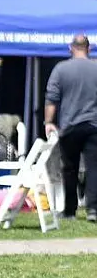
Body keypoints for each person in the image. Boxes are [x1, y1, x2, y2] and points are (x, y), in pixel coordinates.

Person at [45, 34, 97, 221]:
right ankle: (93, 210)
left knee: (69, 169)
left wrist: (49, 122)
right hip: (93, 125)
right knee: (94, 168)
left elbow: (52, 97)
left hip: (70, 126)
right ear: (89, 48)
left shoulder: (61, 69)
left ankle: (69, 211)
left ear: (70, 48)